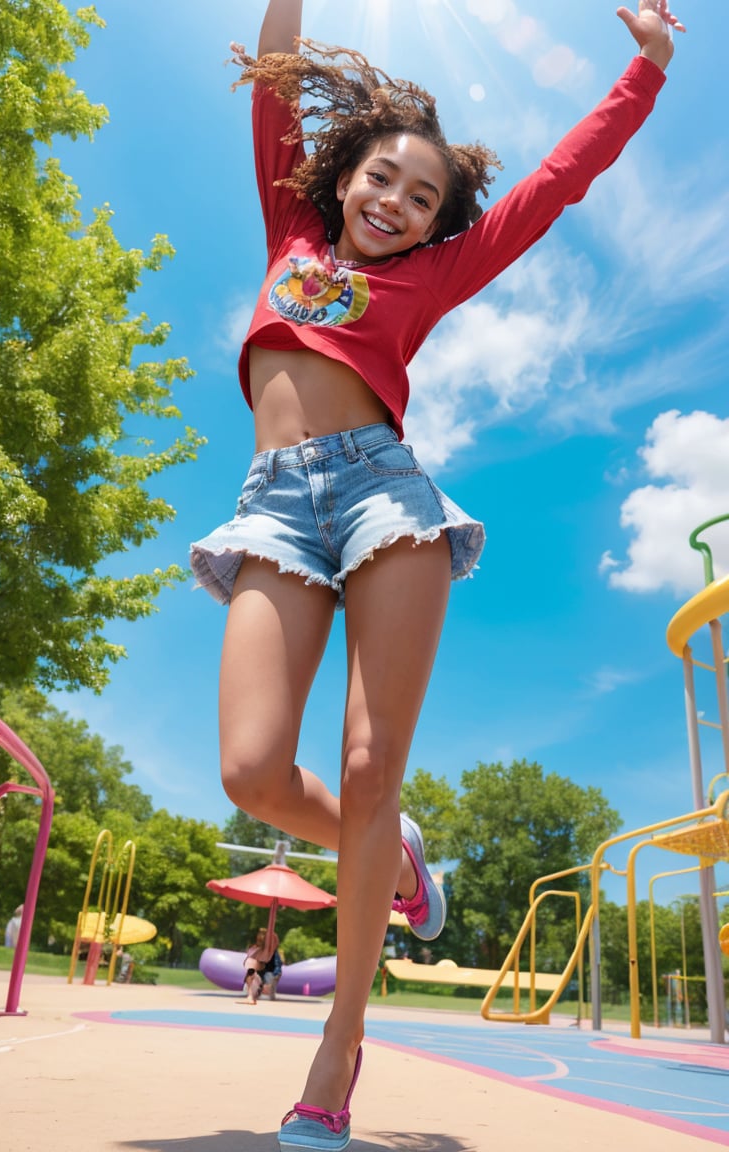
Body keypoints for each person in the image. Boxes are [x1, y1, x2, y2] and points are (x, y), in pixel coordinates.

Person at [190, 2, 684, 1147]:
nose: (395, 204)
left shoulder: (435, 277)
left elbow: (554, 185)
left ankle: (336, 1055)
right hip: (273, 510)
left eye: (420, 198)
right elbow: (272, 89)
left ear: (435, 224)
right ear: (342, 179)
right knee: (255, 773)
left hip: (382, 499)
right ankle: (395, 846)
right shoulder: (289, 240)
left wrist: (643, 72)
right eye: (380, 181)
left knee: (372, 764)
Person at [240, 926, 280, 1005]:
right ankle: (252, 994)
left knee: (268, 978)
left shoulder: (271, 952)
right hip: (257, 976)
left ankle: (265, 991)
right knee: (252, 973)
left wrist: (273, 978)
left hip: (268, 975)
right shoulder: (254, 950)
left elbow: (276, 966)